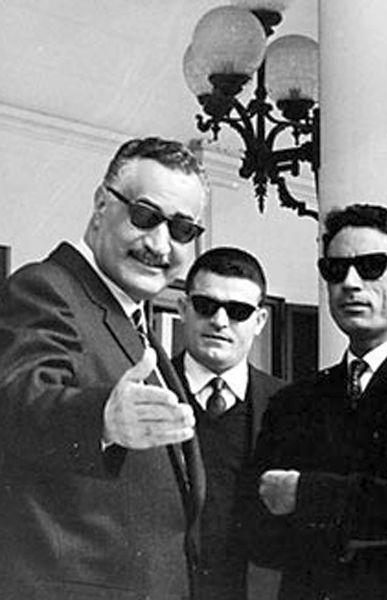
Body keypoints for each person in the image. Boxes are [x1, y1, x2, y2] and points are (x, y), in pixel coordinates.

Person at [0, 137, 210, 600]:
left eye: (183, 229)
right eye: (144, 216)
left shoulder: (133, 325)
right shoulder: (44, 288)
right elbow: (12, 401)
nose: (160, 244)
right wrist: (102, 417)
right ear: (102, 204)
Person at [247, 204, 387, 599]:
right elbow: (260, 534)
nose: (350, 283)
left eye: (370, 267)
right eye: (335, 270)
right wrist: (385, 493)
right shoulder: (293, 402)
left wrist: (305, 493)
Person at [172, 246, 284, 600]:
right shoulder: (144, 391)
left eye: (238, 311)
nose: (220, 321)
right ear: (182, 308)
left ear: (260, 321)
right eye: (206, 305)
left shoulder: (290, 405)